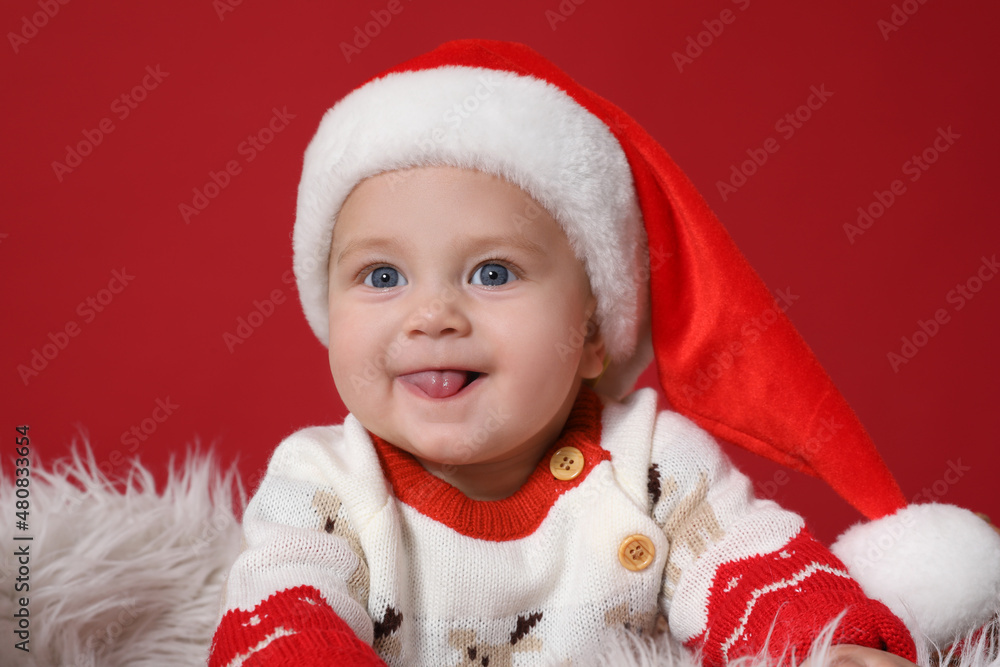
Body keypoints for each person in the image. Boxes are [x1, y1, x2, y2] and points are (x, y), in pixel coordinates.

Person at [209, 40, 1000, 667]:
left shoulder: (651, 462)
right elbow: (283, 615)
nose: (433, 314)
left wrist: (833, 644)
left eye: (493, 272)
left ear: (592, 333)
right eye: (382, 275)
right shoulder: (321, 483)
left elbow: (750, 566)